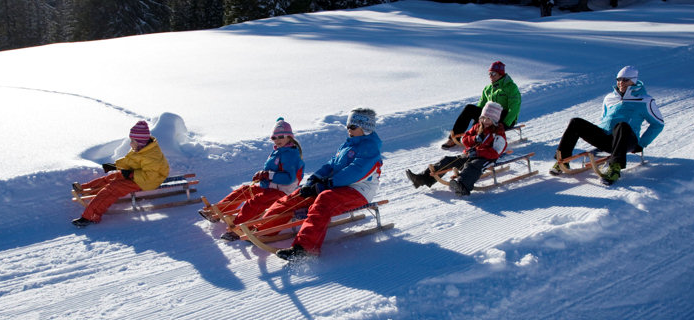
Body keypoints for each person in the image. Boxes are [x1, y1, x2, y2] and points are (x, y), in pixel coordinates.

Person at [258, 108, 383, 261]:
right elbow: (332, 165)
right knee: (300, 194)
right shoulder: (349, 143)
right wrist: (315, 179)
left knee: (325, 199)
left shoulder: (370, 148)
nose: (348, 129)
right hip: (338, 185)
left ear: (365, 128)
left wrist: (325, 185)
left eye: (352, 126)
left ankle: (306, 248)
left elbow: (355, 172)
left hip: (359, 190)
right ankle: (264, 228)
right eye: (348, 125)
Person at [549, 66, 664, 185]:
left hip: (627, 141)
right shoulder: (610, 98)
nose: (621, 83)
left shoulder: (645, 100)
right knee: (575, 122)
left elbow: (658, 124)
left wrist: (641, 143)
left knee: (621, 126)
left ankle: (614, 168)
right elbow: (604, 118)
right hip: (606, 139)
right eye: (619, 79)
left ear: (634, 81)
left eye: (625, 80)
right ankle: (562, 160)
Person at [201, 118, 305, 241]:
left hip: (283, 190)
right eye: (274, 138)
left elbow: (288, 178)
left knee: (256, 201)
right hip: (270, 186)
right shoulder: (278, 151)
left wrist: (268, 175)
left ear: (289, 137)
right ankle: (219, 210)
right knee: (245, 190)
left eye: (281, 137)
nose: (277, 140)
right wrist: (262, 175)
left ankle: (240, 227)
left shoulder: (290, 154)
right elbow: (272, 171)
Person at [71, 120, 170, 226]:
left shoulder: (151, 157)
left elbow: (150, 176)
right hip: (139, 176)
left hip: (148, 181)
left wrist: (131, 174)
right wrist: (114, 166)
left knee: (113, 188)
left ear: (140, 142)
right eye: (131, 140)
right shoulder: (140, 149)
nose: (130, 143)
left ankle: (90, 216)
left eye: (133, 141)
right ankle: (86, 189)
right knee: (113, 177)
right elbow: (129, 161)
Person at [407, 102, 507, 196]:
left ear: (494, 120)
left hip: (485, 159)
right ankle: (423, 178)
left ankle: (463, 186)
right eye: (483, 118)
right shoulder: (477, 127)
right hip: (470, 153)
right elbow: (464, 139)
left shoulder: (498, 133)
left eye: (488, 119)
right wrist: (474, 138)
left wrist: (477, 152)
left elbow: (495, 152)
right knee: (447, 160)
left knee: (472, 166)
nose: (485, 121)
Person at [442, 61, 521, 150]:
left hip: (504, 118)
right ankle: (454, 138)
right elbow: (481, 107)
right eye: (489, 73)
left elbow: (514, 108)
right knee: (470, 108)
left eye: (493, 73)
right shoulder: (488, 89)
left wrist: (504, 124)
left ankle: (479, 139)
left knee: (496, 112)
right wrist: (476, 126)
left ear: (500, 74)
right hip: (489, 116)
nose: (490, 76)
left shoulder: (511, 87)